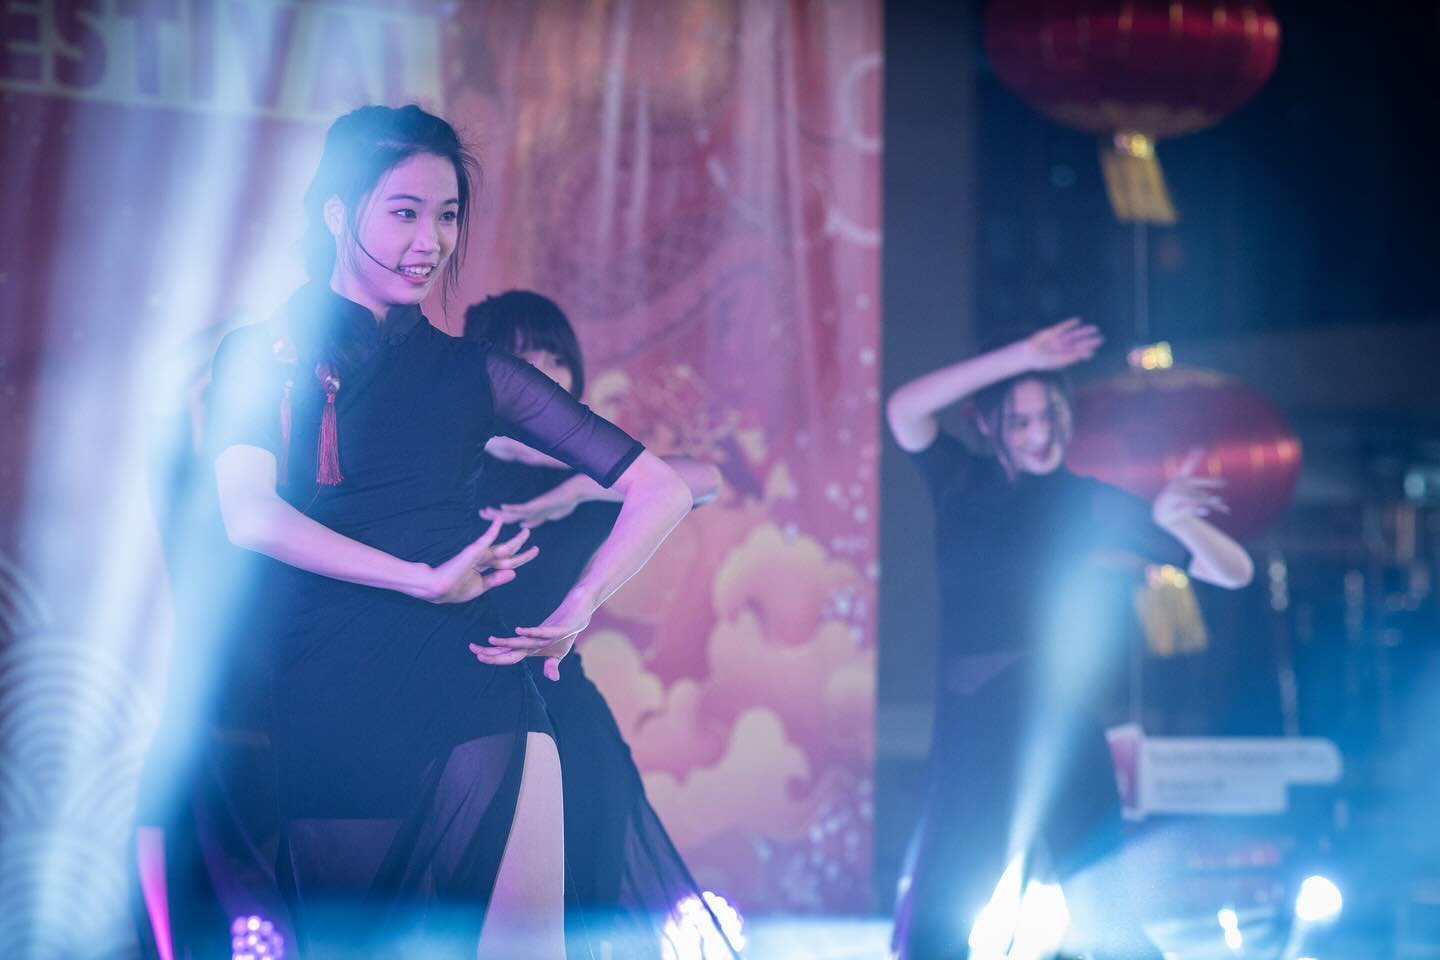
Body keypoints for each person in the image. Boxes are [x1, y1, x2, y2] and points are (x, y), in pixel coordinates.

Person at [203, 105, 692, 959]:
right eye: (405, 212)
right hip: (330, 685)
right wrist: (418, 579)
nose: (429, 240)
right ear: (336, 211)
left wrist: (579, 605)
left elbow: (663, 488)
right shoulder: (261, 352)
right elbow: (249, 515)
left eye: (447, 215)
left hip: (472, 678)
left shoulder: (477, 371)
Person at [885, 318, 1254, 960]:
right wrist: (1022, 355)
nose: (1041, 435)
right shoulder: (957, 480)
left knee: (1107, 920)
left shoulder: (1088, 501)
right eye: (1021, 421)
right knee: (935, 930)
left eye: (1052, 415)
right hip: (971, 734)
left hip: (1055, 723)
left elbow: (1235, 571)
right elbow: (904, 408)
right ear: (990, 424)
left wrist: (1182, 525)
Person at [462, 291, 740, 957]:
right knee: (478, 904)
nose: (548, 371)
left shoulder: (595, 465)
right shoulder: (456, 459)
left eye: (558, 357)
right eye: (527, 357)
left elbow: (702, 479)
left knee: (588, 885)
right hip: (468, 704)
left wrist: (577, 489)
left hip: (565, 704)